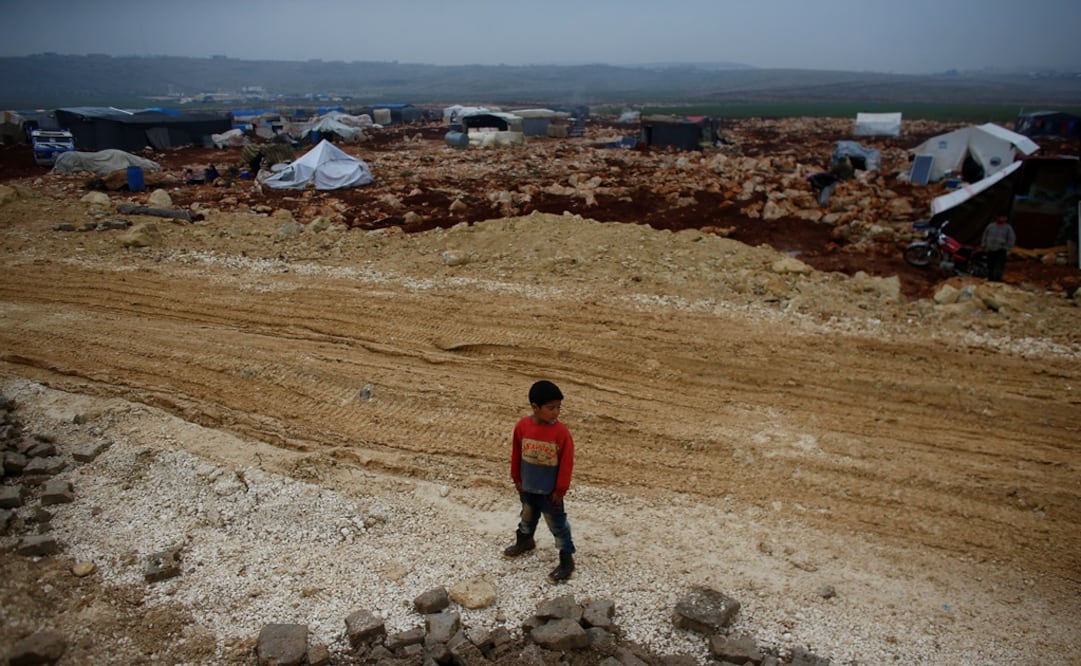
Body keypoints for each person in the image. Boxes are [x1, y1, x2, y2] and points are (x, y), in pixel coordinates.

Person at [503, 379, 576, 583]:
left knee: (558, 525)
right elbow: (516, 454)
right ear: (535, 407)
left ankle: (566, 560)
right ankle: (525, 541)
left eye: (559, 407)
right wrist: (517, 478)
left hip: (550, 492)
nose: (556, 412)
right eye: (551, 408)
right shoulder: (522, 427)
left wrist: (560, 490)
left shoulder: (561, 433)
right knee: (527, 517)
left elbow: (567, 463)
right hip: (527, 487)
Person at [980, 215, 1016, 282]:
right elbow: (985, 235)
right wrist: (983, 245)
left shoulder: (1008, 228)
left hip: (1001, 249)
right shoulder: (990, 226)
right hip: (990, 248)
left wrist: (1006, 247)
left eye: (1003, 217)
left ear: (1006, 218)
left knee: (999, 265)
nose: (1001, 218)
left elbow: (1011, 239)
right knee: (990, 265)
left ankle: (997, 279)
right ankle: (990, 279)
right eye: (1000, 217)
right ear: (997, 217)